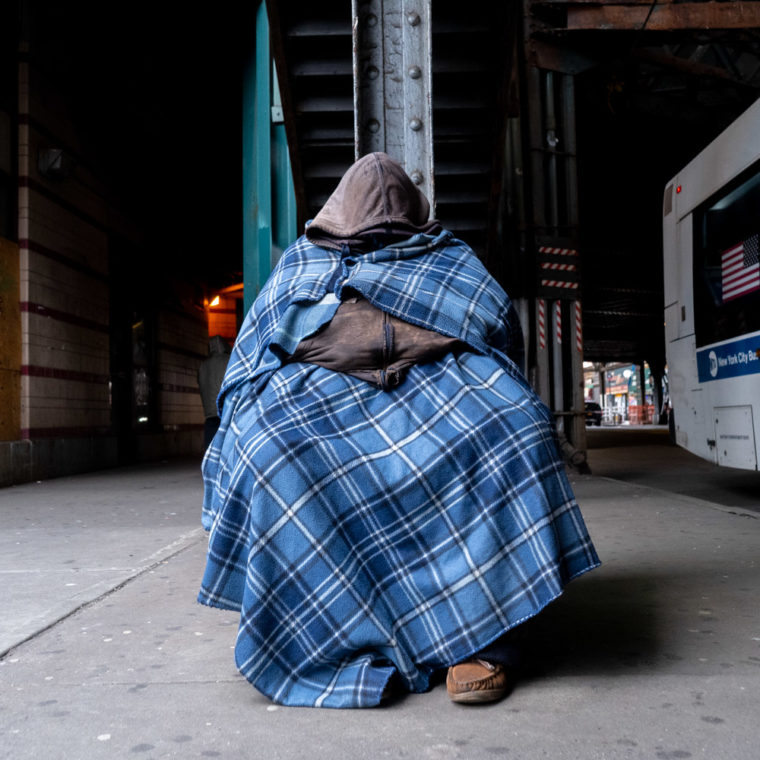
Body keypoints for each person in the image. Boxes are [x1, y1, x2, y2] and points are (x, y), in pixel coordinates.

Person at [199, 152, 600, 708]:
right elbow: (256, 353)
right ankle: (326, 637)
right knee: (267, 446)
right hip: (320, 383)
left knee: (513, 427)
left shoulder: (448, 255)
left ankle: (486, 637)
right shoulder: (302, 259)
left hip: (438, 376)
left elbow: (497, 335)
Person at [197, 335, 231, 448]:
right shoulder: (228, 361)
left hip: (210, 413)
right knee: (226, 445)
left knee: (210, 445)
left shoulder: (203, 365)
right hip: (225, 410)